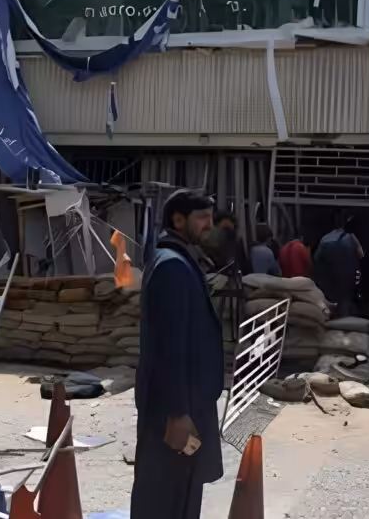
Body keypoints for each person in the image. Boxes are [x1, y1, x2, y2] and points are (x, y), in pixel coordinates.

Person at [131, 190, 225, 519]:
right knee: (164, 494)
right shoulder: (172, 267)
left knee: (181, 491)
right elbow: (170, 346)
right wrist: (177, 412)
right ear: (178, 220)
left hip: (186, 403)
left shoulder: (178, 260)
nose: (208, 226)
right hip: (174, 409)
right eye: (202, 218)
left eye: (210, 218)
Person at [313, 215, 365, 318]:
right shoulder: (351, 238)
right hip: (347, 276)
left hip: (329, 276)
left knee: (329, 299)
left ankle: (329, 319)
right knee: (345, 300)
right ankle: (344, 321)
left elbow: (317, 258)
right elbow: (361, 255)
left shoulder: (325, 238)